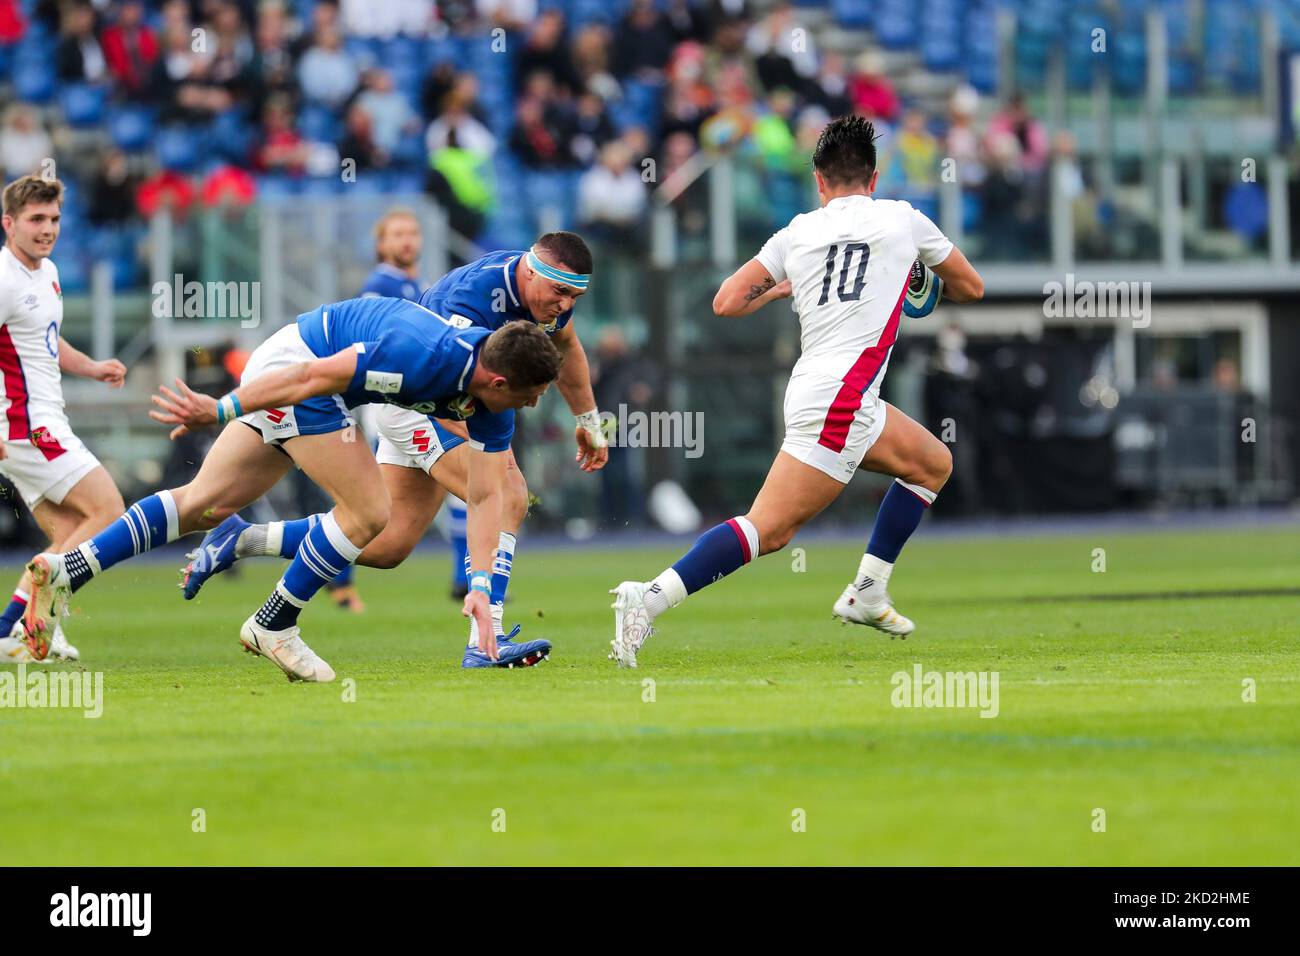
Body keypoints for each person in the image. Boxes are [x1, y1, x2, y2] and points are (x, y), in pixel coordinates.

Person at [608, 115, 985, 667]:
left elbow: (725, 302)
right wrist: (920, 281)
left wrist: (782, 290)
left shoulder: (798, 231)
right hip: (844, 399)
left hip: (824, 389)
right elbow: (972, 287)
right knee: (770, 530)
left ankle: (868, 591)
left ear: (819, 181)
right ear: (874, 180)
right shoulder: (904, 220)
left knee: (931, 463)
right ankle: (649, 597)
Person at [21, 300, 563, 681]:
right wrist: (222, 408)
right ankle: (273, 623)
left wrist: (481, 586)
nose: (535, 404)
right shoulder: (422, 356)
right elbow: (310, 378)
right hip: (294, 369)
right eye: (533, 394)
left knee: (203, 504)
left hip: (308, 379)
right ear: (499, 382)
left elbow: (489, 496)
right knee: (371, 512)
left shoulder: (493, 402)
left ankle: (67, 571)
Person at [191, 233, 608, 668]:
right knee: (508, 493)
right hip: (419, 406)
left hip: (438, 404)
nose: (565, 305)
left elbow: (567, 345)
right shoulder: (470, 303)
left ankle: (241, 538)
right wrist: (492, 454)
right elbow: (450, 385)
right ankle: (487, 640)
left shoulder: (545, 298)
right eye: (560, 292)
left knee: (388, 545)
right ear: (529, 270)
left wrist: (589, 421)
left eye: (575, 296)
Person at [0, 176, 129, 663]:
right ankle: (41, 612)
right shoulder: (5, 278)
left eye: (53, 219)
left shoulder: (47, 272)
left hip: (39, 421)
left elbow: (46, 343)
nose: (47, 228)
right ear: (9, 223)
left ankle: (13, 628)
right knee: (108, 509)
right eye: (36, 219)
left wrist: (92, 367)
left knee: (69, 532)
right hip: (28, 426)